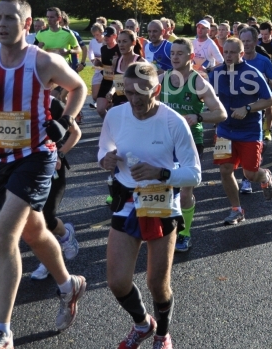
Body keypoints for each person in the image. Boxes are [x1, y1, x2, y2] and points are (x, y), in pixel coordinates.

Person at [0, 0, 87, 348]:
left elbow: (79, 87)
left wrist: (64, 121)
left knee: (3, 240)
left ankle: (2, 331)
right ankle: (68, 284)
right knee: (34, 230)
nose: (1, 24)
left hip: (36, 156)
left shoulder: (43, 61)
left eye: (10, 18)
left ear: (27, 25)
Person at [98, 62, 201, 349]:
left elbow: (195, 174)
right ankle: (143, 324)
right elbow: (103, 148)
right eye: (128, 93)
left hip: (161, 200)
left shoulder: (173, 122)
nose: (133, 100)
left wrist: (161, 173)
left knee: (157, 283)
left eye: (140, 93)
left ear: (156, 89)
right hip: (127, 199)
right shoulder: (116, 116)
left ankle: (163, 334)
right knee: (117, 282)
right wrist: (104, 159)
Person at [161, 39, 226, 253]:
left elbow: (221, 113)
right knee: (164, 188)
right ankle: (163, 227)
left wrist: (197, 116)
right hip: (164, 142)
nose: (175, 57)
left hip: (190, 143)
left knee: (186, 191)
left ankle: (185, 233)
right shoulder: (162, 80)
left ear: (190, 57)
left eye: (180, 53)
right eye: (173, 53)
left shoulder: (199, 83)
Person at [208, 37, 272, 225]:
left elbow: (268, 100)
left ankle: (265, 176)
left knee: (250, 174)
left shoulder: (252, 73)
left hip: (249, 131)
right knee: (225, 169)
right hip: (224, 131)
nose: (228, 56)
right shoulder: (216, 73)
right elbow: (206, 96)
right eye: (225, 52)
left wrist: (247, 108)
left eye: (232, 52)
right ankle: (236, 210)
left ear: (241, 54)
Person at [30, 97, 82, 280]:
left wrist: (59, 153)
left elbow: (76, 134)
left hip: (52, 170)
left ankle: (51, 255)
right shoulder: (14, 102)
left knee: (46, 218)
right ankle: (62, 237)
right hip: (24, 171)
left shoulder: (54, 104)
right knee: (32, 220)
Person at [237, 27, 272, 193]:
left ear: (255, 42)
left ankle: (248, 178)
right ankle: (248, 177)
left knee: (252, 147)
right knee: (237, 147)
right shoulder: (234, 60)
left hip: (257, 108)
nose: (245, 44)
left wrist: (265, 83)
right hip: (238, 108)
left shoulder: (263, 61)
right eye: (243, 41)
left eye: (248, 41)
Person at [95, 26, 121, 118]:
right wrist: (99, 63)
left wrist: (116, 63)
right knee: (100, 110)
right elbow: (105, 65)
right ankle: (109, 125)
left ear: (114, 36)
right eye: (105, 36)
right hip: (106, 80)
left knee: (117, 110)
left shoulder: (120, 48)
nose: (105, 38)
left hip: (118, 81)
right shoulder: (103, 49)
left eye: (108, 36)